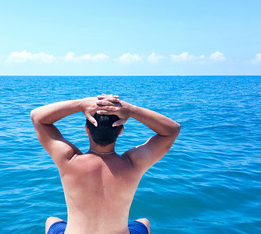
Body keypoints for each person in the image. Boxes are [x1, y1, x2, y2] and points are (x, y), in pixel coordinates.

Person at [31, 94, 180, 234]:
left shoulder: (68, 160)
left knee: (52, 220)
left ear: (86, 130)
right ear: (121, 130)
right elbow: (172, 130)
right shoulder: (133, 164)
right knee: (144, 222)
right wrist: (131, 110)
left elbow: (37, 117)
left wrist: (81, 104)